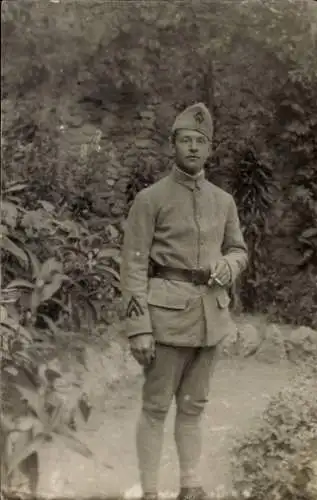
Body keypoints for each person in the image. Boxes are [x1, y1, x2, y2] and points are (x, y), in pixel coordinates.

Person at [120, 102, 248, 500]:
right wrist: (138, 327)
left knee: (193, 407)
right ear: (172, 146)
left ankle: (191, 485)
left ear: (210, 150)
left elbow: (239, 249)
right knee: (156, 407)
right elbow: (133, 266)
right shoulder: (150, 198)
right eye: (186, 140)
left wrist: (230, 265)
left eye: (201, 142)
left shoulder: (223, 200)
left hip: (211, 316)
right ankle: (151, 491)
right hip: (166, 318)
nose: (193, 148)